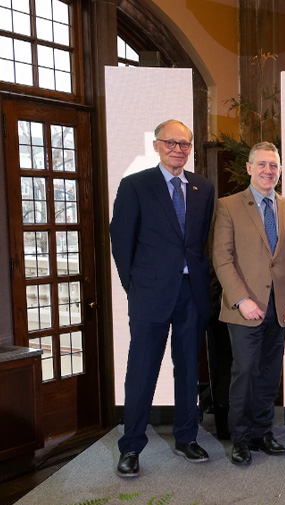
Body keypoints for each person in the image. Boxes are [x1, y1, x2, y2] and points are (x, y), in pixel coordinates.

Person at [110, 119, 215, 478]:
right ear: (156, 145)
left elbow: (204, 243)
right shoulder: (135, 186)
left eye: (184, 144)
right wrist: (135, 288)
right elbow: (122, 243)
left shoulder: (204, 187)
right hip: (150, 295)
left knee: (188, 369)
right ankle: (131, 447)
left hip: (190, 293)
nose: (178, 149)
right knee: (142, 371)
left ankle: (187, 437)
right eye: (171, 143)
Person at [212, 141, 285, 466]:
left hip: (280, 308)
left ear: (280, 170)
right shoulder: (228, 206)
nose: (269, 170)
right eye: (263, 164)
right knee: (245, 373)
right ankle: (240, 438)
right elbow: (222, 258)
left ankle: (262, 431)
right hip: (245, 309)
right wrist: (241, 300)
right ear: (249, 168)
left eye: (274, 165)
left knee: (269, 374)